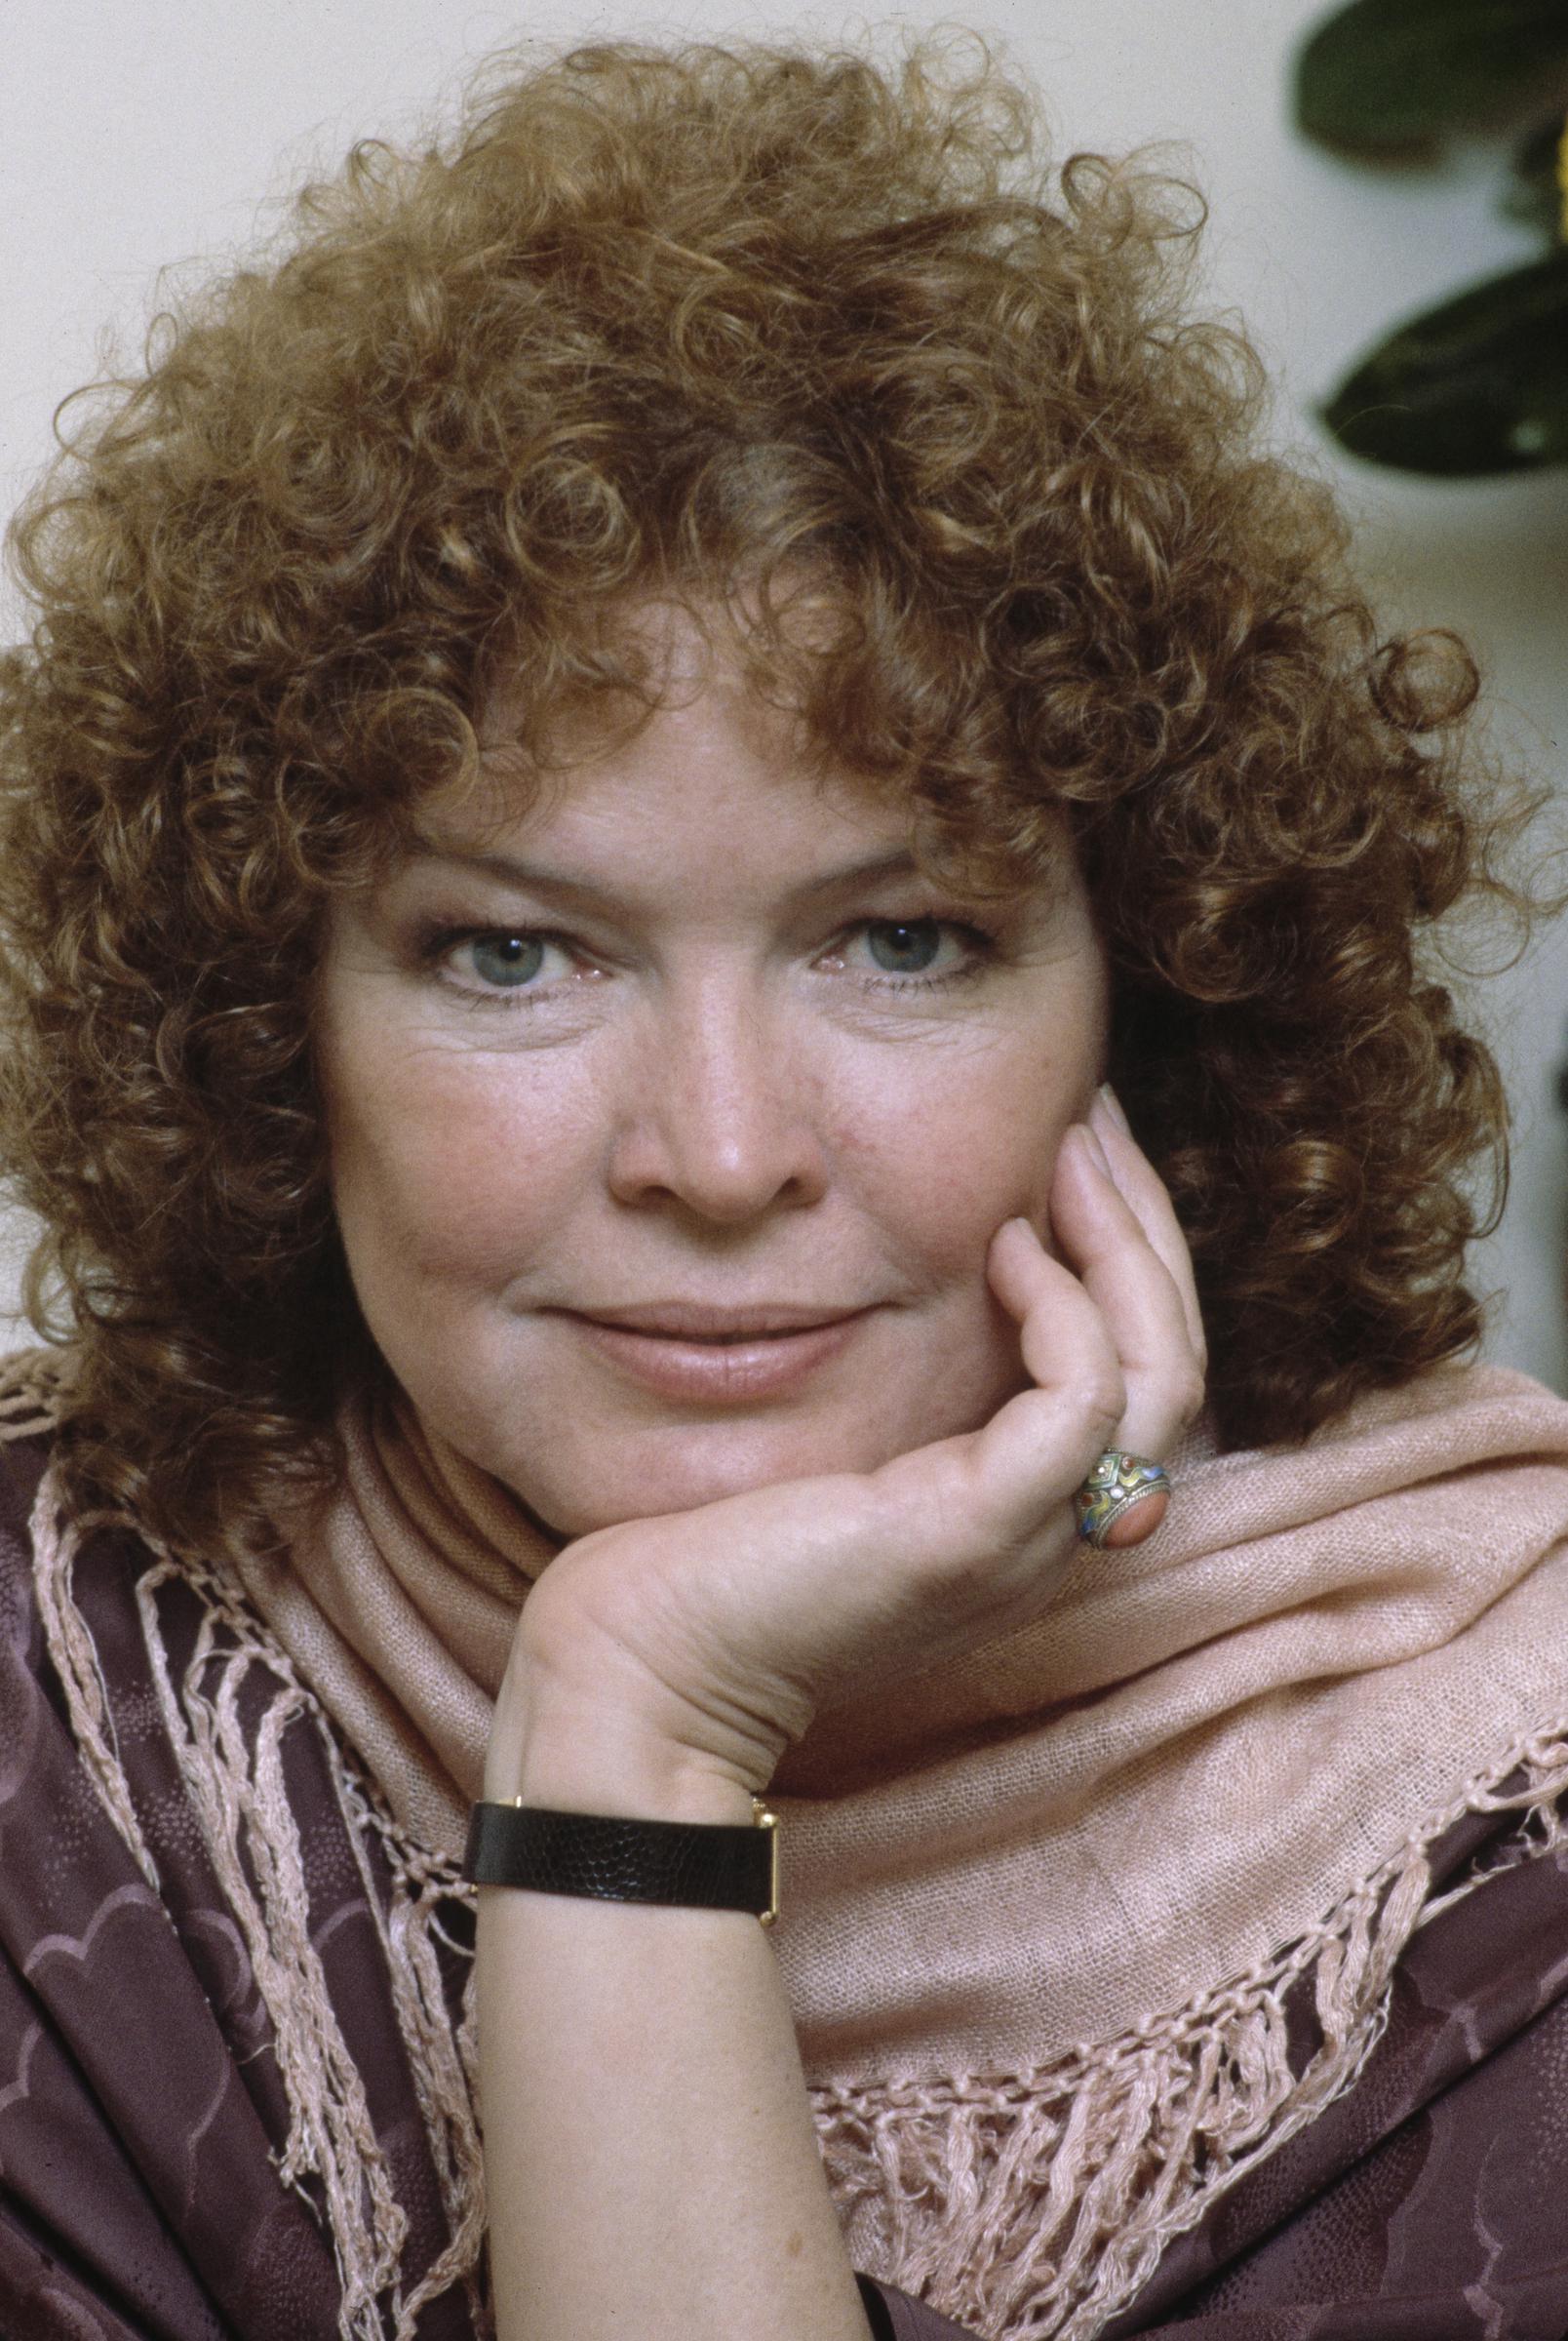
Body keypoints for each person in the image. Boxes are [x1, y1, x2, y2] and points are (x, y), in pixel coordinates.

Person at [1, 33, 1567, 2341]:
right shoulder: (60, 1702)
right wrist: (647, 1721)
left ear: (1161, 984)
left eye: (901, 942)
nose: (722, 1156)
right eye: (511, 954)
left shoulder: (1505, 1827)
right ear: (265, 1019)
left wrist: (619, 1731)